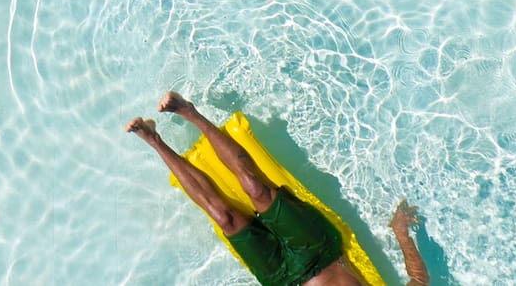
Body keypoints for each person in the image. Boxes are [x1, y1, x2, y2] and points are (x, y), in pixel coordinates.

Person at [127, 92, 431, 286]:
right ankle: (189, 112)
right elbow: (419, 280)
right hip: (319, 251)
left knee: (223, 218)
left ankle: (154, 140)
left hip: (281, 279)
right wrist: (401, 233)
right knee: (256, 189)